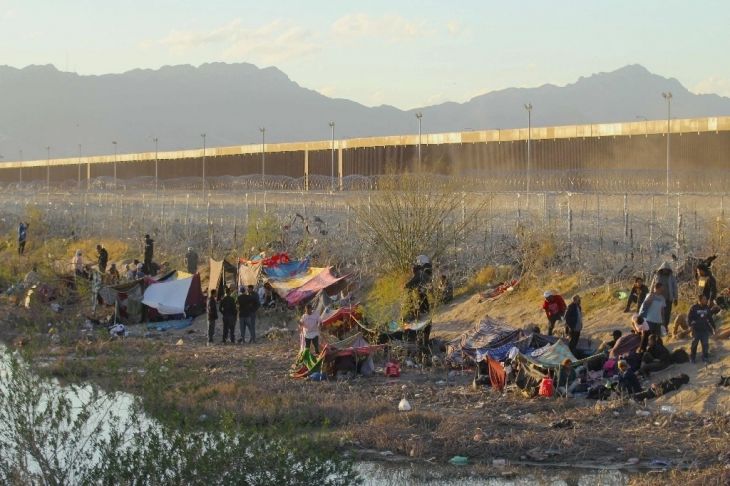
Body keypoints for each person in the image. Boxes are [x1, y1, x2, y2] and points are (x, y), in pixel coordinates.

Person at [688, 294, 717, 364]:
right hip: (696, 330)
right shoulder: (694, 308)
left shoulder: (707, 308)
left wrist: (714, 328)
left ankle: (705, 357)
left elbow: (710, 319)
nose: (706, 300)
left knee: (705, 344)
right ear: (700, 300)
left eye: (706, 299)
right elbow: (689, 318)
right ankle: (692, 357)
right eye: (704, 299)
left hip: (705, 330)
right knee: (694, 344)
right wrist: (691, 326)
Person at [649, 261, 678, 332]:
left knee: (667, 314)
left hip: (668, 298)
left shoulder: (671, 277)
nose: (665, 270)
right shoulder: (657, 276)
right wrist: (650, 295)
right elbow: (652, 286)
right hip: (658, 298)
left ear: (669, 270)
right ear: (661, 269)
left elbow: (675, 287)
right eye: (664, 269)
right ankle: (658, 327)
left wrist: (676, 298)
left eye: (667, 269)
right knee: (658, 313)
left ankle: (665, 327)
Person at [638, 282, 666, 349]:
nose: (662, 290)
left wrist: (663, 320)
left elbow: (662, 310)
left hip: (658, 321)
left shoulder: (662, 298)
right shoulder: (649, 295)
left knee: (657, 338)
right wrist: (651, 297)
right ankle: (643, 350)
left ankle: (656, 351)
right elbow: (645, 305)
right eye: (661, 288)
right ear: (657, 288)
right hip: (649, 320)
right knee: (646, 338)